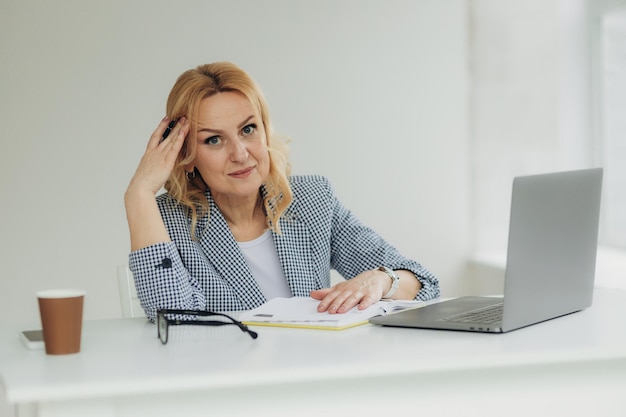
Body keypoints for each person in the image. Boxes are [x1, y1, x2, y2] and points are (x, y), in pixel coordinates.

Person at [125, 62, 439, 321]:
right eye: (214, 140)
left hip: (314, 379)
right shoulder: (164, 220)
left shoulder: (312, 199)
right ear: (185, 154)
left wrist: (383, 280)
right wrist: (138, 193)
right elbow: (172, 315)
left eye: (248, 130)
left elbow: (424, 283)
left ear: (265, 131)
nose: (240, 154)